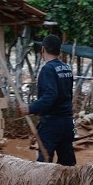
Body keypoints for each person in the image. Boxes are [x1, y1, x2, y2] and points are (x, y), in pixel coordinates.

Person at [22, 34, 76, 166]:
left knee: (44, 166)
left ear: (43, 49)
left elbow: (50, 96)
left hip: (52, 124)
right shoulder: (66, 68)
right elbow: (66, 95)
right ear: (59, 50)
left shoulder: (48, 69)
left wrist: (30, 108)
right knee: (67, 164)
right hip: (67, 123)